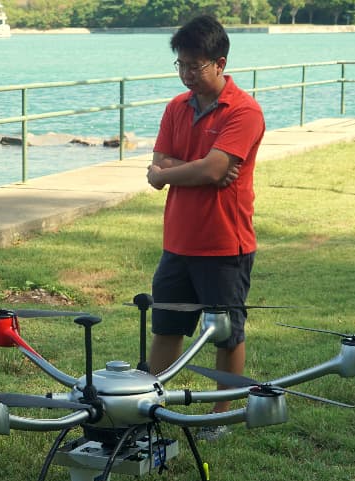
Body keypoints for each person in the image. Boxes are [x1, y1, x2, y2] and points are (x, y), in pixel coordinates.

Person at [145, 15, 266, 442]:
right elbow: (157, 166)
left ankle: (219, 414)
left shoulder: (245, 110)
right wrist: (185, 169)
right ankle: (151, 403)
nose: (186, 74)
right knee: (166, 327)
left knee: (226, 333)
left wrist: (176, 170)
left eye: (195, 66)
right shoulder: (176, 108)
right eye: (180, 65)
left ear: (220, 62)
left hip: (223, 244)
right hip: (178, 242)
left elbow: (214, 170)